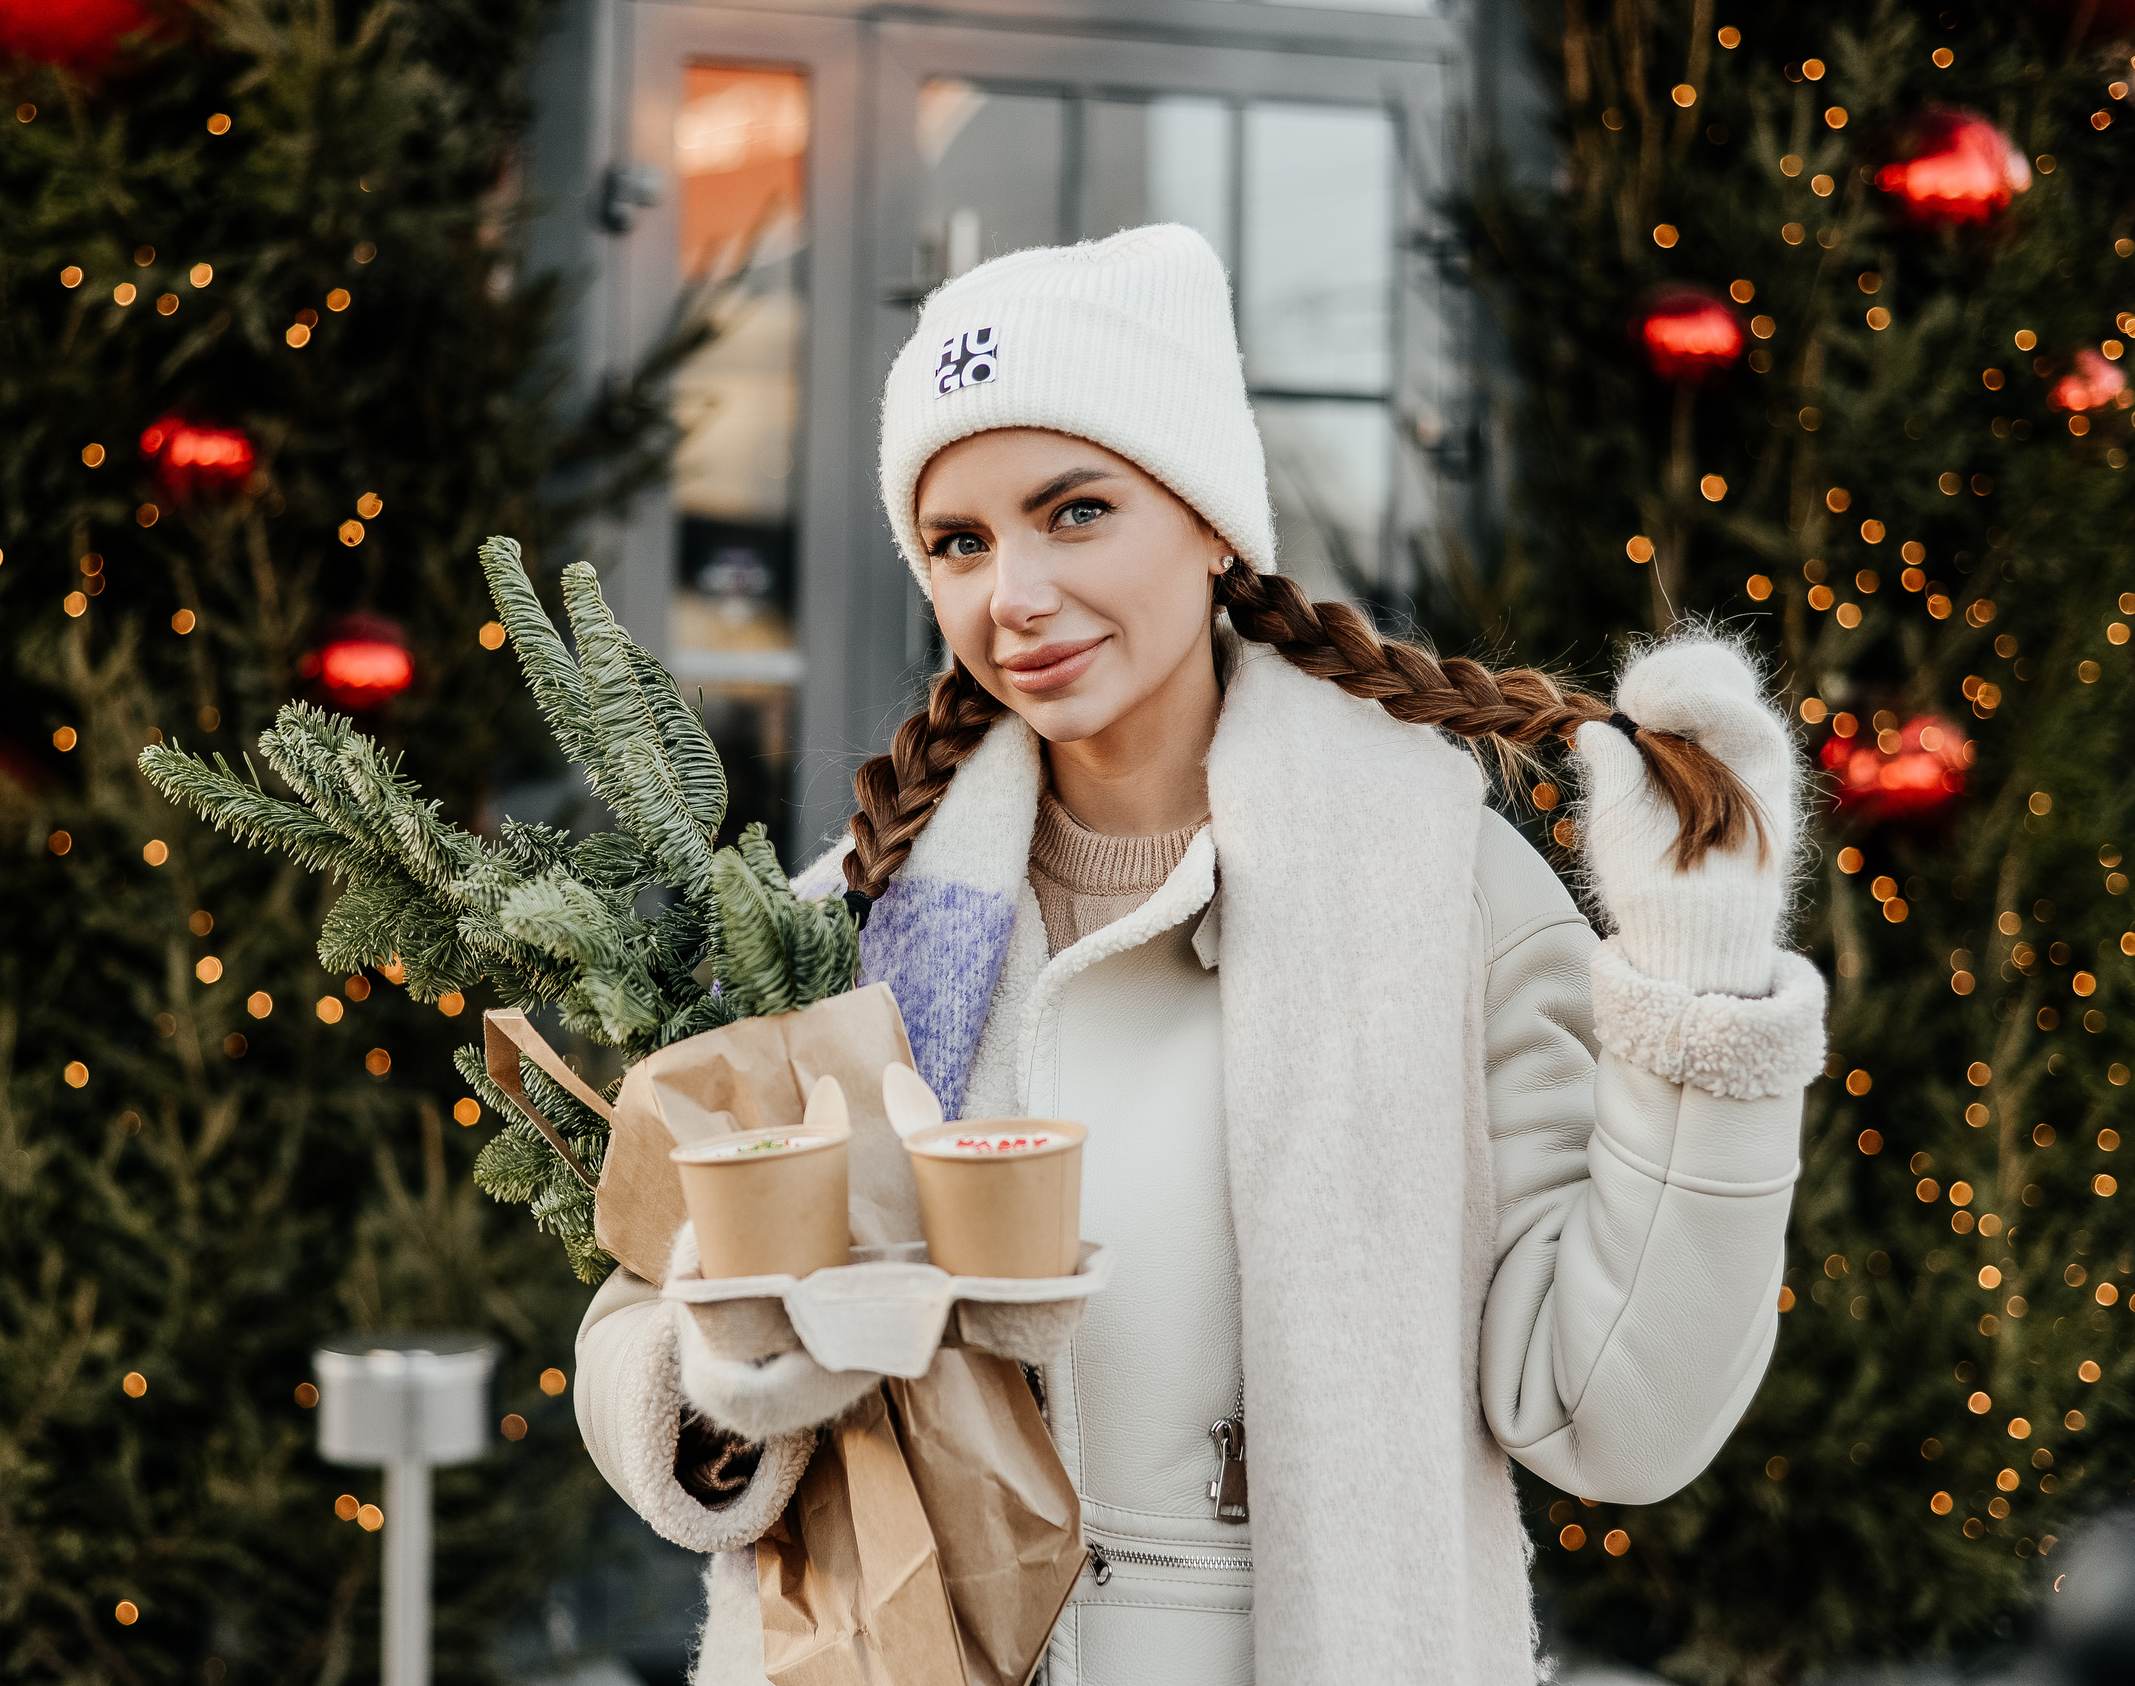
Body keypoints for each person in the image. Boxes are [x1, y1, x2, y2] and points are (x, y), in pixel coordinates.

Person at [573, 224, 1824, 1686]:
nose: (1013, 595)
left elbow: (1618, 1413)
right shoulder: (849, 920)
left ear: (1212, 517)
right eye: (961, 542)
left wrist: (1701, 989)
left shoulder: (1433, 886)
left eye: (1075, 510)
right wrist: (725, 1378)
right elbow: (631, 1326)